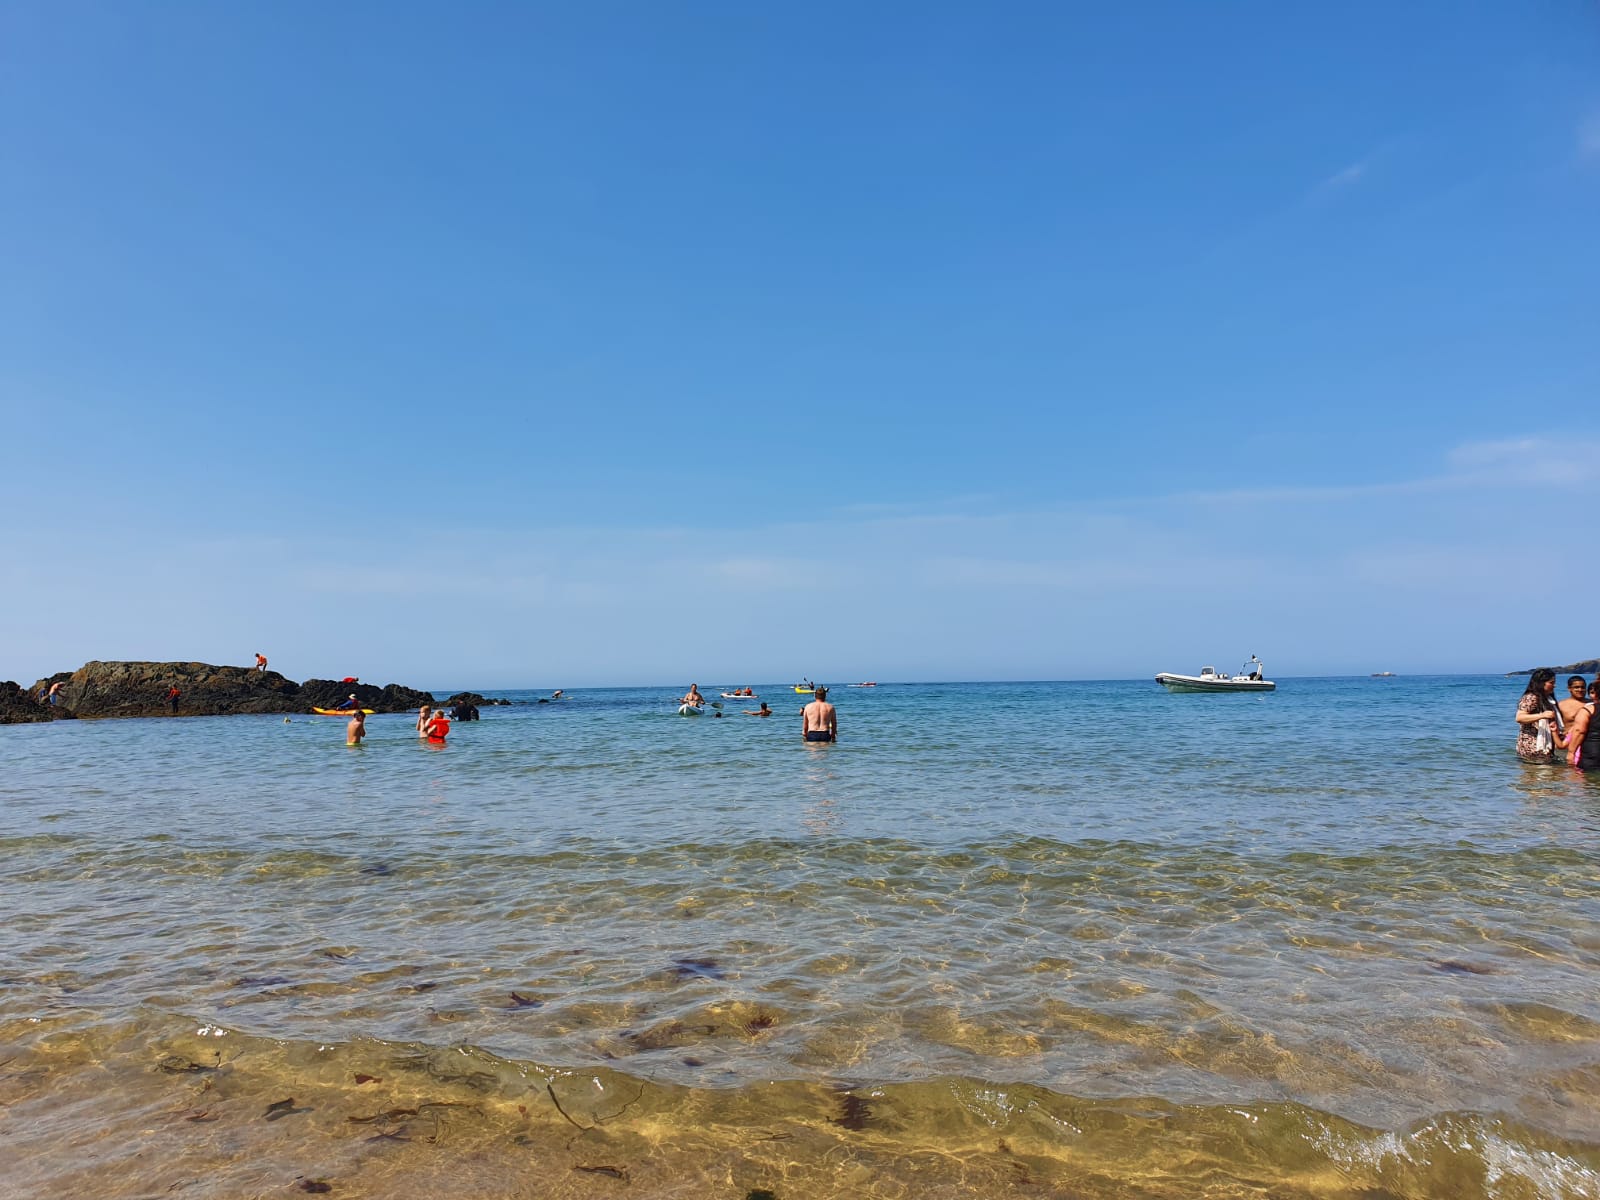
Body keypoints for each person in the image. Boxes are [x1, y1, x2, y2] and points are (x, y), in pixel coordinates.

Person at [1515, 669, 1559, 761]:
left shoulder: (1547, 698)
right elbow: (1519, 717)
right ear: (1541, 683)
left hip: (1543, 745)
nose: (1554, 685)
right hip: (1532, 746)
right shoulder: (1531, 697)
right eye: (1551, 683)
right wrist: (1542, 715)